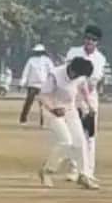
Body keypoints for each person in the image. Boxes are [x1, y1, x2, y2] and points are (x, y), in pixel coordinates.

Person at [38, 56, 98, 190]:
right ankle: (47, 170)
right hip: (52, 110)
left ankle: (84, 175)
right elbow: (42, 95)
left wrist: (90, 105)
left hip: (70, 110)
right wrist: (52, 108)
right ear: (72, 70)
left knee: (80, 142)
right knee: (66, 141)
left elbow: (84, 89)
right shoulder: (55, 75)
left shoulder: (80, 76)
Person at [65, 25, 107, 183]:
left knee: (89, 136)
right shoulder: (73, 52)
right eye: (87, 38)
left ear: (97, 42)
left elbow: (93, 81)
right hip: (73, 96)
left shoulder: (100, 58)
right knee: (74, 134)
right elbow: (69, 74)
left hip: (89, 98)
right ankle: (74, 169)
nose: (89, 41)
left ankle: (88, 171)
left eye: (93, 40)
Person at [19, 44, 53, 125]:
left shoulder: (47, 61)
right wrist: (22, 83)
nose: (38, 54)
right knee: (28, 102)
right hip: (32, 85)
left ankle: (43, 121)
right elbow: (26, 72)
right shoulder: (31, 60)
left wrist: (52, 83)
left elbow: (52, 72)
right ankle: (23, 119)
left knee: (44, 104)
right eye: (37, 52)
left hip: (44, 85)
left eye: (39, 52)